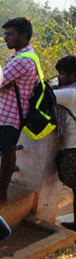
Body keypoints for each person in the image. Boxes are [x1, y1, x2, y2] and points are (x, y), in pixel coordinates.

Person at [0, 17, 40, 204]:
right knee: (8, 152)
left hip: (7, 116)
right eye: (5, 34)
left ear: (24, 36)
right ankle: (0, 191)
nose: (6, 38)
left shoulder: (21, 60)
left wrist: (0, 83)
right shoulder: (28, 55)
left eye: (10, 34)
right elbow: (2, 83)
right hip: (15, 114)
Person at [53, 56, 76, 203]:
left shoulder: (69, 94)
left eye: (61, 74)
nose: (59, 77)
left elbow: (43, 96)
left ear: (73, 75)